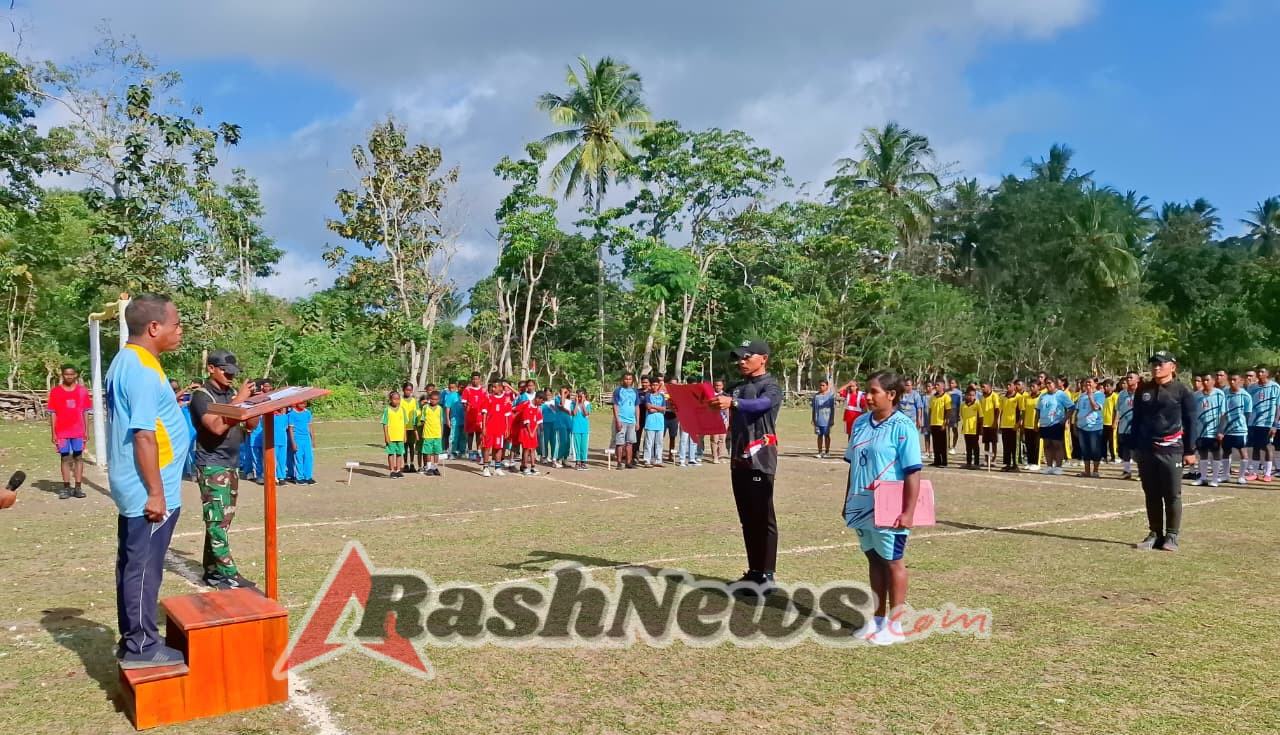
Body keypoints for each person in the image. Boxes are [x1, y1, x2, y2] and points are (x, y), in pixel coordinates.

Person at [104, 294, 188, 668]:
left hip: (144, 485)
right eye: (176, 324)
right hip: (150, 490)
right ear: (154, 328)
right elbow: (143, 434)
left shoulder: (132, 361)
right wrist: (156, 492)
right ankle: (141, 647)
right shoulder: (140, 368)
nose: (180, 331)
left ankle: (134, 639)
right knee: (143, 567)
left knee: (134, 563)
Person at [843, 371, 923, 646]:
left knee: (893, 561)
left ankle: (895, 624)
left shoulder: (903, 427)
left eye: (874, 392)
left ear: (891, 395)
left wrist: (909, 511)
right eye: (867, 391)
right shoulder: (860, 424)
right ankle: (877, 619)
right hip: (861, 503)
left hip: (889, 505)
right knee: (874, 560)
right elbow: (854, 465)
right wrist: (847, 502)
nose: (868, 397)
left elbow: (913, 472)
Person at [709, 339, 783, 596]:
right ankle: (753, 572)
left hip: (760, 459)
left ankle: (767, 575)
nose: (741, 361)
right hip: (738, 458)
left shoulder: (770, 386)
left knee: (763, 518)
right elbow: (715, 402)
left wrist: (733, 403)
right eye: (739, 357)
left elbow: (761, 405)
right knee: (747, 519)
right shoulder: (737, 387)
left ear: (763, 358)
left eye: (747, 356)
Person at [188, 349, 260, 589]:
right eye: (225, 371)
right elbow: (216, 428)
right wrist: (239, 400)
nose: (230, 376)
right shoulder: (202, 396)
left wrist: (253, 403)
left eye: (233, 373)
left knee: (222, 519)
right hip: (211, 464)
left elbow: (250, 424)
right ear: (211, 369)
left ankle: (211, 570)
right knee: (217, 520)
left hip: (231, 463)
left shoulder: (230, 393)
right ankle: (229, 573)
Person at [1131, 352, 1198, 552]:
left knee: (1172, 494)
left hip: (1172, 449)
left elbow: (1191, 421)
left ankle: (1171, 535)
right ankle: (1154, 534)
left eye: (1161, 364)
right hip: (1146, 449)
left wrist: (1190, 450)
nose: (1156, 368)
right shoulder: (1143, 389)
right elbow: (1136, 419)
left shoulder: (1182, 390)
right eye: (1153, 364)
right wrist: (1135, 446)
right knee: (1151, 493)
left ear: (1172, 367)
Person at [47, 364, 92, 499]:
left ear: (76, 375)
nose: (69, 376)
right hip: (62, 431)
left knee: (78, 457)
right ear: (62, 375)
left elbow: (85, 412)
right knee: (65, 458)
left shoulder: (82, 391)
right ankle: (66, 488)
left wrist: (86, 431)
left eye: (72, 374)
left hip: (78, 430)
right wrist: (53, 433)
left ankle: (78, 487)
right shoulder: (56, 392)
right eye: (66, 374)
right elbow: (52, 413)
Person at [1246, 367, 1279, 482]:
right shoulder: (1251, 388)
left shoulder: (1275, 387)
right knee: (1255, 447)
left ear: (1268, 374)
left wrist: (1275, 424)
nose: (1260, 374)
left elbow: (1278, 407)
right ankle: (1254, 472)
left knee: (1267, 447)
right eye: (1258, 372)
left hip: (1267, 422)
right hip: (1253, 422)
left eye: (1262, 372)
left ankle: (1268, 473)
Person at [1193, 371, 1226, 487]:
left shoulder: (1219, 394)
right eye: (1203, 380)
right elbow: (1193, 413)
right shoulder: (1196, 395)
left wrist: (1221, 430)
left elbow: (1223, 414)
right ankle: (1203, 477)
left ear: (1213, 381)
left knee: (1216, 453)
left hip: (1214, 430)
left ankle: (1215, 479)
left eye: (1207, 380)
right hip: (1200, 430)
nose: (1205, 382)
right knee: (1202, 454)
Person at [1221, 372, 1252, 486]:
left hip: (1240, 429)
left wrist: (1244, 426)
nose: (1232, 382)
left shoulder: (1245, 396)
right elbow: (1222, 412)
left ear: (1241, 381)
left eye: (1234, 379)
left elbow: (1248, 414)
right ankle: (1225, 475)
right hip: (1227, 429)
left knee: (1243, 452)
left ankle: (1241, 476)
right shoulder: (1224, 393)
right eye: (1230, 380)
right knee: (1225, 452)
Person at [1037, 380, 1074, 475]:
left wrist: (1065, 419)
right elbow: (1038, 410)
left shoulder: (1061, 395)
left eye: (1050, 383)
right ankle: (1049, 466)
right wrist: (1036, 422)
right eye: (1047, 383)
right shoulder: (1043, 396)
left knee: (1057, 445)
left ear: (1055, 384)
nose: (1048, 385)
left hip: (1056, 423)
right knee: (1047, 445)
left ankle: (1058, 467)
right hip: (1044, 424)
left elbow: (1071, 407)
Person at [480, 379, 513, 477]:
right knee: (487, 447)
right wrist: (484, 427)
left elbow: (507, 415)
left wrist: (507, 429)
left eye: (495, 387)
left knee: (498, 448)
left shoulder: (506, 400)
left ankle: (497, 468)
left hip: (500, 428)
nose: (493, 388)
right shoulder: (488, 398)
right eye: (492, 387)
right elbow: (484, 413)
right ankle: (486, 467)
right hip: (489, 427)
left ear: (500, 388)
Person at [1074, 377, 1105, 478]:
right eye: (1086, 383)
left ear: (1095, 384)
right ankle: (1087, 471)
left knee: (1095, 449)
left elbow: (1096, 407)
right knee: (1085, 449)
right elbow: (1077, 411)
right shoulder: (1082, 396)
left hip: (1094, 427)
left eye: (1089, 383)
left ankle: (1095, 471)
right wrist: (1075, 424)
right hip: (1082, 427)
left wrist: (1091, 396)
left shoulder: (1099, 395)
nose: (1087, 385)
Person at [612, 373, 640, 470]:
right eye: (626, 379)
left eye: (630, 379)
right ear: (622, 380)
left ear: (632, 380)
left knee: (630, 442)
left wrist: (637, 421)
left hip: (632, 421)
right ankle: (619, 462)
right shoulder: (618, 391)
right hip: (622, 419)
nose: (628, 381)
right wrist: (617, 420)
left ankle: (628, 462)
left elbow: (637, 406)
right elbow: (615, 406)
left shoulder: (635, 391)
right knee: (620, 442)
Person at [516, 390, 545, 475]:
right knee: (526, 449)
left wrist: (534, 431)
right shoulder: (527, 406)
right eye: (541, 401)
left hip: (533, 431)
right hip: (526, 431)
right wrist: (530, 432)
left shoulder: (537, 408)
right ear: (537, 398)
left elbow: (538, 420)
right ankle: (524, 466)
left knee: (533, 449)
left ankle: (533, 466)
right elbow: (527, 421)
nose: (541, 404)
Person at [1115, 372, 1138, 480]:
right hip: (1124, 426)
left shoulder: (1142, 393)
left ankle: (1141, 472)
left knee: (1138, 450)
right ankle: (1127, 471)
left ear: (1137, 379)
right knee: (1125, 449)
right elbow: (1118, 409)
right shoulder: (1122, 394)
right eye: (1127, 378)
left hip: (1137, 426)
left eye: (1131, 378)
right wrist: (1115, 421)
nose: (1128, 380)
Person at [461, 372, 487, 462]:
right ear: (471, 379)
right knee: (470, 434)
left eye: (476, 379)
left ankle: (479, 451)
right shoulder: (467, 390)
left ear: (479, 379)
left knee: (479, 434)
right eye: (473, 379)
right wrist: (466, 406)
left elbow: (486, 402)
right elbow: (463, 402)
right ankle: (470, 451)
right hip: (470, 416)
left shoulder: (483, 390)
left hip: (480, 416)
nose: (475, 381)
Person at [288, 401, 316, 484]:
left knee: (309, 458)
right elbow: (290, 429)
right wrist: (293, 442)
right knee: (299, 458)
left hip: (306, 439)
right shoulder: (292, 414)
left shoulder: (307, 412)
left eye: (304, 403)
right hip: (298, 439)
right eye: (301, 404)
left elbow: (310, 426)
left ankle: (308, 477)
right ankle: (299, 477)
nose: (303, 405)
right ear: (296, 404)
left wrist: (313, 439)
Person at [382, 391, 407, 478]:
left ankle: (398, 470)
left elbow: (404, 424)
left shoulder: (402, 410)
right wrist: (386, 436)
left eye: (398, 399)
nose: (396, 401)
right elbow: (385, 424)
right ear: (390, 399)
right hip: (391, 436)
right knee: (391, 453)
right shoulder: (387, 410)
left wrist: (405, 435)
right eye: (394, 399)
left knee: (400, 453)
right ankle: (392, 470)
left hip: (400, 436)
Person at [642, 380, 667, 467]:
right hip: (650, 422)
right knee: (649, 442)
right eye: (653, 385)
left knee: (659, 442)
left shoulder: (662, 396)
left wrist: (655, 407)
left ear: (659, 386)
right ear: (650, 386)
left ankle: (658, 460)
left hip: (660, 422)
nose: (654, 387)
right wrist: (658, 408)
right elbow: (649, 408)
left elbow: (664, 408)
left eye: (656, 385)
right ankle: (647, 460)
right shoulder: (648, 395)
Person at [998, 382, 1021, 472]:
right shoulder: (1003, 398)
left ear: (1014, 387)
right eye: (1007, 385)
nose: (1008, 387)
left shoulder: (1018, 397)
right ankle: (1007, 464)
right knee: (1006, 445)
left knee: (1014, 446)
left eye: (1010, 385)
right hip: (1005, 425)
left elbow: (1021, 411)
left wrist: (1018, 423)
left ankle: (1015, 465)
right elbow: (1001, 411)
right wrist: (999, 423)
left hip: (1014, 425)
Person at [812, 379, 836, 458]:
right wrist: (813, 418)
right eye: (820, 385)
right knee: (819, 435)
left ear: (827, 386)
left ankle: (827, 451)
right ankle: (820, 452)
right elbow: (814, 408)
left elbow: (832, 408)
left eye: (823, 385)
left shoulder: (830, 396)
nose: (821, 387)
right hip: (818, 419)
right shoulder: (816, 396)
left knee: (827, 435)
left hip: (827, 419)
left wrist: (832, 419)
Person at [927, 381, 949, 468]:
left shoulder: (946, 397)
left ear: (943, 386)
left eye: (938, 385)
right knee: (935, 443)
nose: (936, 386)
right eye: (935, 385)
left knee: (942, 443)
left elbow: (948, 411)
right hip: (933, 423)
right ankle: (937, 460)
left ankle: (944, 461)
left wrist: (945, 423)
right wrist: (929, 422)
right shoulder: (933, 397)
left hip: (941, 423)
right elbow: (930, 410)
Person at [569, 389, 592, 470]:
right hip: (576, 428)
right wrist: (576, 403)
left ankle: (583, 462)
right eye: (578, 396)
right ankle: (577, 462)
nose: (579, 398)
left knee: (584, 446)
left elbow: (586, 413)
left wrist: (582, 403)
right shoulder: (572, 404)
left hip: (585, 429)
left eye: (581, 396)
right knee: (576, 446)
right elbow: (574, 413)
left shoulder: (587, 404)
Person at [400, 382, 420, 474]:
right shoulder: (400, 401)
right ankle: (405, 464)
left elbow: (417, 413)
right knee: (404, 446)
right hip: (403, 427)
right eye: (407, 390)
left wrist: (416, 424)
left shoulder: (414, 401)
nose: (409, 392)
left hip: (412, 427)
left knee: (412, 446)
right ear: (403, 390)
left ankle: (412, 464)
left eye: (410, 390)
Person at [960, 387, 981, 469]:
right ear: (966, 396)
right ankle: (968, 463)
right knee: (968, 446)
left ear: (975, 396)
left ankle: (976, 463)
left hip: (974, 428)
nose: (971, 397)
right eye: (969, 395)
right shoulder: (963, 405)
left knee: (975, 446)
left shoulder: (977, 404)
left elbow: (981, 416)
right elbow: (962, 415)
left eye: (973, 395)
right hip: (966, 428)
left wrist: (980, 428)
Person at [1021, 382, 1041, 471]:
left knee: (1036, 444)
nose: (1031, 388)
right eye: (1030, 386)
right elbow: (1024, 411)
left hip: (1037, 424)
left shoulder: (1041, 397)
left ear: (1038, 387)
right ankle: (1030, 462)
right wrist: (1022, 422)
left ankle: (1036, 463)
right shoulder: (1027, 397)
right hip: (1027, 424)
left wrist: (1037, 423)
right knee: (1029, 445)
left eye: (1033, 386)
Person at [441, 381, 463, 460]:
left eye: (464, 387)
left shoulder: (467, 395)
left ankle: (461, 452)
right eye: (461, 387)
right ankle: (451, 452)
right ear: (458, 387)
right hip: (454, 419)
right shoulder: (452, 395)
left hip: (464, 420)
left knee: (463, 437)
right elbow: (447, 408)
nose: (462, 389)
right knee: (454, 436)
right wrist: (447, 419)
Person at [710, 379, 728, 464]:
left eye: (719, 385)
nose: (718, 387)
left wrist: (728, 421)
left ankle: (720, 456)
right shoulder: (711, 396)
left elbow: (727, 409)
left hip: (724, 420)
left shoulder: (726, 395)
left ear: (722, 386)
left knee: (722, 439)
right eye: (716, 385)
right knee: (714, 439)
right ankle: (715, 457)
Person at [1102, 379, 1118, 463]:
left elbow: (1117, 410)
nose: (1105, 387)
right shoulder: (1102, 396)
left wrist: (1115, 421)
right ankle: (1104, 457)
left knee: (1112, 441)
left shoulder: (1114, 396)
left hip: (1110, 422)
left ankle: (1113, 457)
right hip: (1102, 422)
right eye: (1104, 386)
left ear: (1112, 387)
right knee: (1103, 441)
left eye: (1107, 386)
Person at [947, 378, 962, 453]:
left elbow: (960, 404)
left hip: (955, 414)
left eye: (953, 383)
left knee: (954, 430)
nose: (951, 384)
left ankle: (953, 447)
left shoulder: (959, 393)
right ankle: (947, 446)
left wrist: (959, 414)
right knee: (946, 431)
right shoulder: (945, 392)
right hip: (947, 414)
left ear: (956, 384)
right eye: (950, 383)